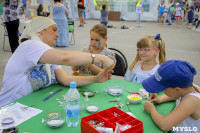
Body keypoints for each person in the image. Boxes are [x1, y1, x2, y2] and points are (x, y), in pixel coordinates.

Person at [0, 17, 115, 107]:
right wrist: (100, 58)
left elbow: (65, 79)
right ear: (40, 30)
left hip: (27, 106)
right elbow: (65, 57)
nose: (57, 34)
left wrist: (95, 79)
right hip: (9, 108)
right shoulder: (29, 45)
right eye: (54, 30)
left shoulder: (47, 54)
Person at [142, 60, 200, 132]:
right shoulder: (190, 87)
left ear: (177, 89)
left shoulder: (192, 101)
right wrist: (160, 99)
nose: (161, 91)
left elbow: (165, 125)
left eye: (164, 89)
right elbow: (176, 95)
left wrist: (151, 109)